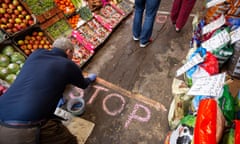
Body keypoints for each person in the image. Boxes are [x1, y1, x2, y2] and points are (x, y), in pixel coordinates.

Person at [0, 37, 97, 144]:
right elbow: (82, 84)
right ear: (68, 51)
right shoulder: (67, 64)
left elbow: (43, 77)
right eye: (72, 53)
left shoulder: (36, 54)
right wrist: (89, 79)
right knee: (67, 139)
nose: (71, 57)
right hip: (21, 128)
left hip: (2, 114)